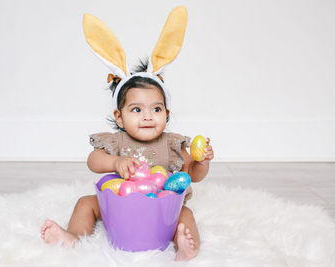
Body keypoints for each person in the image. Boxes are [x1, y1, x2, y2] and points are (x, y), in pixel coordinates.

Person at [41, 6, 214, 261]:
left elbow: (192, 176)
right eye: (136, 109)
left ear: (166, 114)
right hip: (121, 206)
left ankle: (185, 247)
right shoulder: (117, 141)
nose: (147, 116)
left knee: (186, 215)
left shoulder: (172, 143)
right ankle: (74, 237)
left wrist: (201, 162)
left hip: (160, 210)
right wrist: (115, 162)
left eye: (156, 109)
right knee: (85, 203)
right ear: (119, 117)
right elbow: (93, 161)